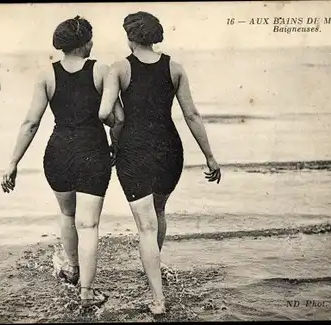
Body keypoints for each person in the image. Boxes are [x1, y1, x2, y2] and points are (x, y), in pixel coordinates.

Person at [98, 11, 222, 315]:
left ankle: (157, 298)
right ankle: (153, 267)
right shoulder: (175, 68)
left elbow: (104, 114)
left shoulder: (119, 68)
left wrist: (114, 132)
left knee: (144, 227)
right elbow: (192, 115)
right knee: (159, 213)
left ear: (130, 37)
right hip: (169, 149)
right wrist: (210, 156)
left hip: (134, 150)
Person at [1, 16, 123, 308]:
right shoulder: (101, 71)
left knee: (68, 216)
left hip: (57, 154)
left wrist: (13, 162)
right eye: (90, 39)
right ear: (85, 43)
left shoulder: (46, 75)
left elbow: (31, 123)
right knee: (89, 225)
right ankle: (87, 293)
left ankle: (73, 270)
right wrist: (117, 146)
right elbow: (117, 118)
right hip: (92, 152)